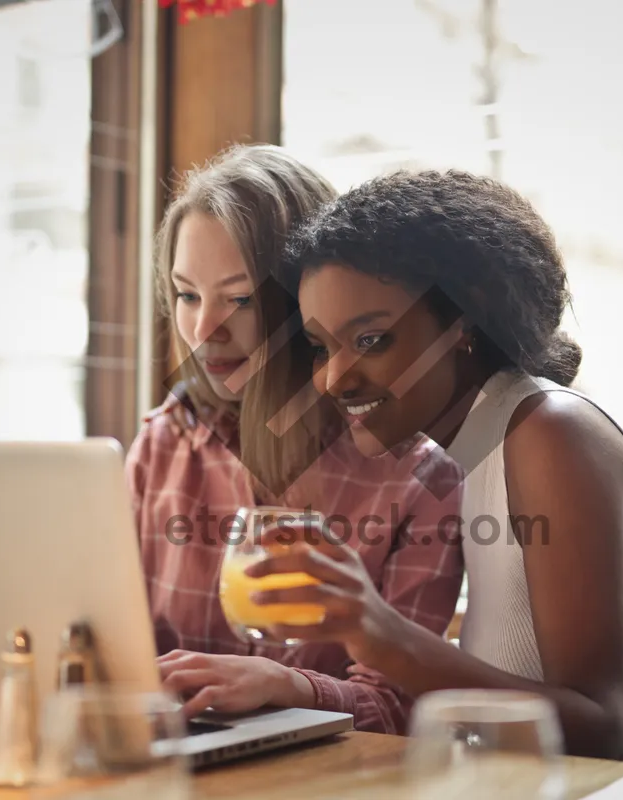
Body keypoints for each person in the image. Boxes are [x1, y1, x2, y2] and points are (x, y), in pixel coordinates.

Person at [246, 169, 623, 765]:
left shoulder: (551, 434)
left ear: (463, 323)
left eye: (373, 340)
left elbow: (600, 732)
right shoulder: (462, 453)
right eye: (322, 347)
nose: (333, 378)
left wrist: (378, 630)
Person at [125, 146, 465, 735]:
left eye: (240, 298)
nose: (205, 329)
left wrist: (289, 687)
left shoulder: (418, 477)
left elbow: (404, 707)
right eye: (187, 295)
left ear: (305, 302)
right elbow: (109, 646)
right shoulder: (162, 446)